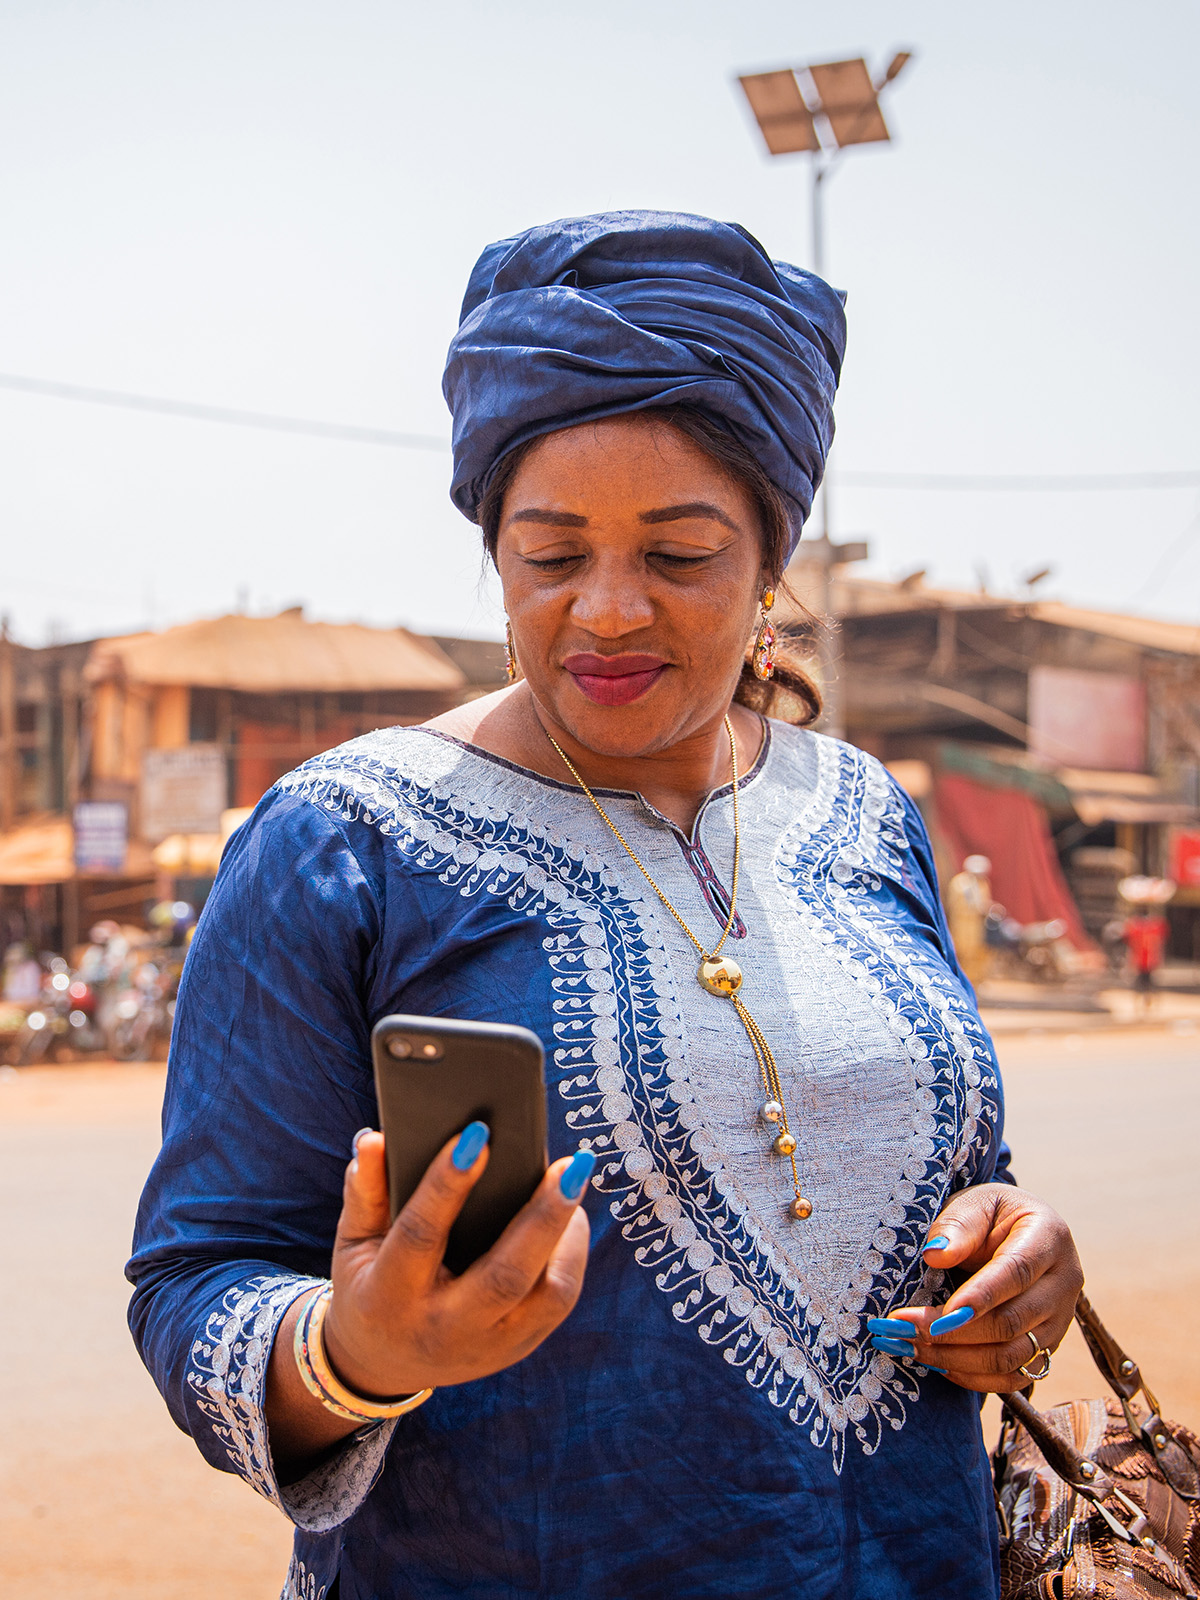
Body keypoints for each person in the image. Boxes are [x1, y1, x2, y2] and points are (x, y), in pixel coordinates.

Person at [128, 213, 1084, 1600]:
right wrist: (355, 1352)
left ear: (769, 569)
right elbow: (196, 1277)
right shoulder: (344, 842)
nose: (610, 611)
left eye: (680, 556)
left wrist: (1015, 1256)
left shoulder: (868, 811)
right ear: (492, 550)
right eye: (553, 554)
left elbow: (951, 1175)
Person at [946, 854, 993, 989]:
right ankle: (964, 982)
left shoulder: (983, 883)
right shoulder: (960, 882)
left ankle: (976, 982)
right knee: (963, 951)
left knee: (980, 952)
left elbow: (983, 902)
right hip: (963, 923)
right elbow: (959, 904)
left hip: (977, 924)